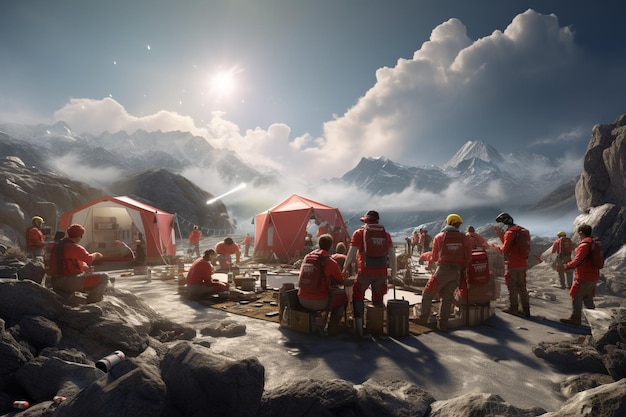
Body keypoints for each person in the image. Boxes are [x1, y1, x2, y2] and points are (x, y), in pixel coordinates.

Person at [342, 210, 397, 337]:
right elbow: (392, 255)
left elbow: (351, 253)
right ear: (377, 220)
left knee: (358, 295)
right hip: (381, 272)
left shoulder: (359, 233)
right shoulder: (385, 235)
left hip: (364, 271)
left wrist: (344, 268)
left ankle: (359, 326)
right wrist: (393, 273)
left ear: (365, 220)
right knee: (378, 296)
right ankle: (375, 326)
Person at [418, 214, 472, 331]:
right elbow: (469, 256)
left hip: (442, 271)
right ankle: (443, 324)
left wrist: (426, 259)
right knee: (447, 297)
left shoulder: (439, 237)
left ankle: (423, 320)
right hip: (457, 272)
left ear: (449, 222)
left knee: (427, 294)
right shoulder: (465, 237)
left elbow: (434, 256)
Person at [297, 234, 348, 333]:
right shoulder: (330, 262)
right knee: (342, 297)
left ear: (318, 244)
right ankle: (333, 325)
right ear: (331, 246)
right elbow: (340, 280)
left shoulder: (307, 257)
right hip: (319, 302)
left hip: (301, 299)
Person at [49, 224, 109, 304]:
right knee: (104, 277)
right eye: (81, 236)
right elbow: (89, 259)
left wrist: (84, 266)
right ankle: (93, 302)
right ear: (79, 236)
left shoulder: (59, 245)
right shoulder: (75, 247)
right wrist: (96, 254)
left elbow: (67, 260)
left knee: (86, 274)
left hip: (55, 281)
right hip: (68, 282)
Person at [560, 224, 600, 326]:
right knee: (587, 298)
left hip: (583, 276)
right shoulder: (594, 244)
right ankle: (596, 321)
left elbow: (578, 260)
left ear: (581, 233)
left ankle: (575, 318)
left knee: (576, 295)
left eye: (579, 233)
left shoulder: (584, 245)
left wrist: (567, 266)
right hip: (594, 275)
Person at [494, 212, 531, 317]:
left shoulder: (510, 233)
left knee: (512, 286)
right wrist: (501, 235)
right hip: (522, 263)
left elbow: (505, 249)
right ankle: (526, 309)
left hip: (512, 263)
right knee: (522, 286)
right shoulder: (520, 230)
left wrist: (497, 246)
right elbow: (511, 243)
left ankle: (513, 308)